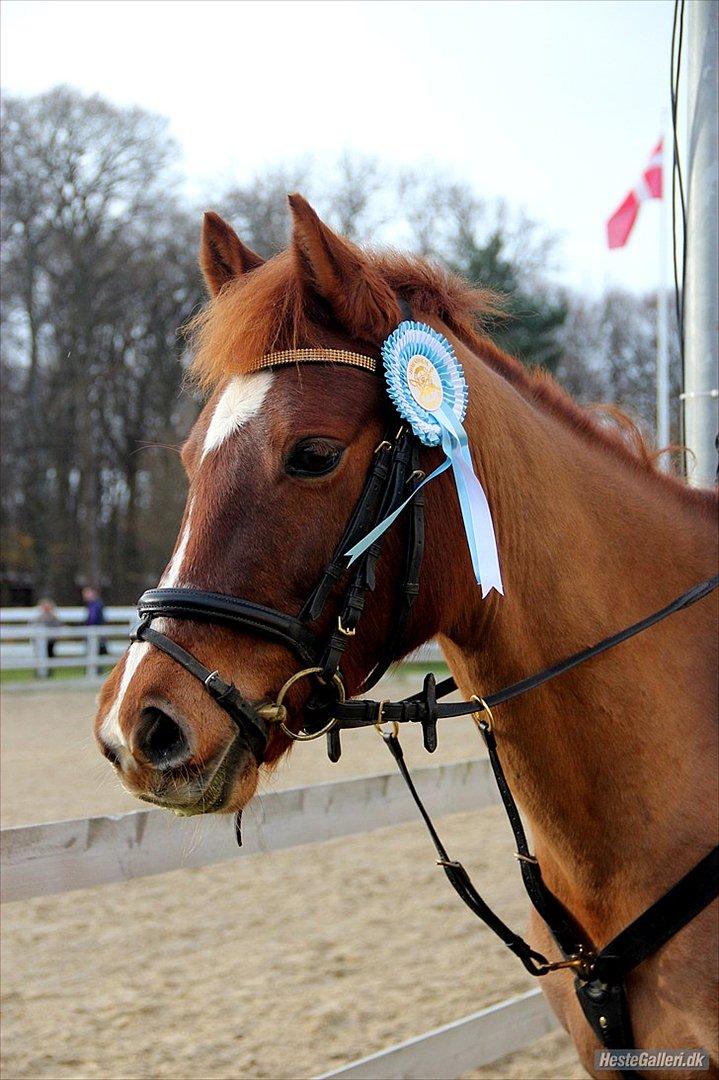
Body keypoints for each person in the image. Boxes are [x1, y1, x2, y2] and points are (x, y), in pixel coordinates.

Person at [34, 598, 63, 676]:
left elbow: (58, 627)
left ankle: (50, 672)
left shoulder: (53, 618)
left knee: (50, 656)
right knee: (39, 657)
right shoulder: (40, 617)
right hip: (41, 641)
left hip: (50, 640)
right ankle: (39, 672)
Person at [82, 586, 107, 656]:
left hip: (96, 632)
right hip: (96, 632)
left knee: (95, 654)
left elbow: (93, 619)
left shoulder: (96, 605)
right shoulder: (92, 605)